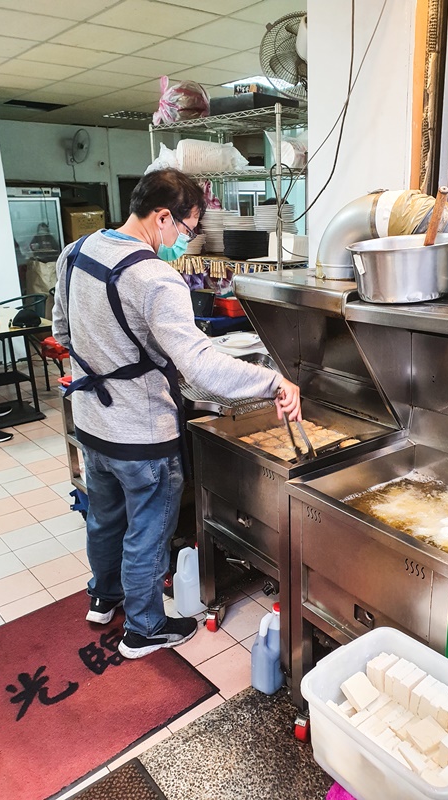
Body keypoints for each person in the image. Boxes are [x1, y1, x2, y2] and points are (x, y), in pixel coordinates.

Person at [52, 169, 301, 660]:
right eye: (185, 231)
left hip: (91, 421)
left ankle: (104, 599)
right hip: (141, 434)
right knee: (147, 532)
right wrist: (273, 380)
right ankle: (143, 630)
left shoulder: (76, 251)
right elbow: (202, 367)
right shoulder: (155, 277)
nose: (182, 243)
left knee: (105, 519)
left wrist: (110, 359)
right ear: (162, 217)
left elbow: (63, 331)